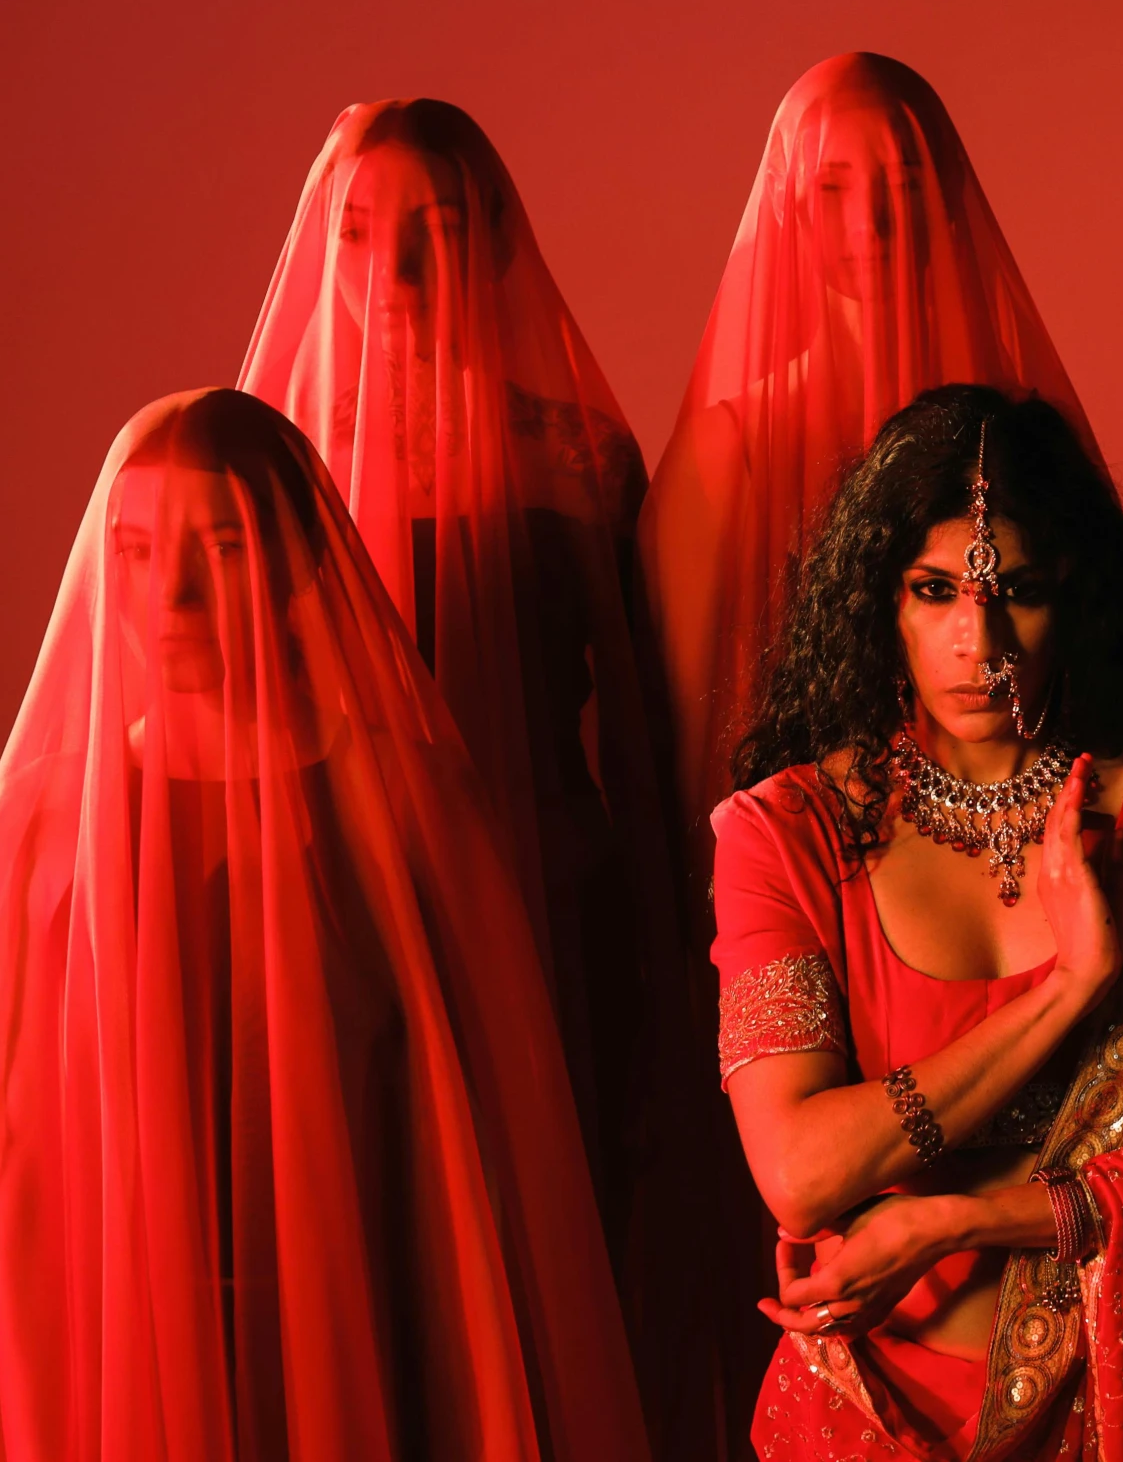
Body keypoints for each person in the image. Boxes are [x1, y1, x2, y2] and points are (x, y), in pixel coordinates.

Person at [0, 389, 649, 1460]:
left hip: (373, 1325)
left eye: (224, 545)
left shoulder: (405, 802)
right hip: (124, 1336)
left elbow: (485, 1141)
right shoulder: (46, 823)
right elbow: (4, 1155)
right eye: (138, 551)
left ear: (301, 559)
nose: (175, 596)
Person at [712, 385, 1123, 1459]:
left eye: (1018, 593)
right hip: (862, 1423)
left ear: (1073, 600)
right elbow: (800, 1171)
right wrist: (1070, 990)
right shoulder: (786, 833)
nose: (978, 640)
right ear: (878, 601)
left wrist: (952, 1218)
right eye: (935, 589)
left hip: (1117, 1409)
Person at [238, 100, 709, 1451]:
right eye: (358, 233)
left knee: (566, 1232)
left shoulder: (577, 453)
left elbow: (644, 719)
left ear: (492, 250)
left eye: (432, 236)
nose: (390, 274)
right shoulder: (279, 460)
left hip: (556, 892)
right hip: (343, 912)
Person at [640, 52, 1098, 928]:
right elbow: (690, 738)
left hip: (1019, 872)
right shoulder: (729, 444)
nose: (872, 221)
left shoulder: (1030, 437)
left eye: (903, 183)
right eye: (831, 190)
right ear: (787, 210)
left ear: (946, 201)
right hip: (809, 885)